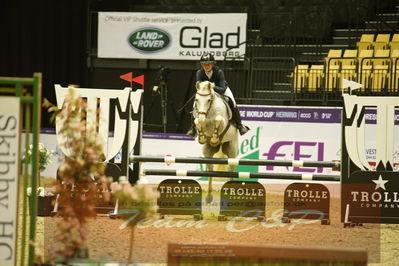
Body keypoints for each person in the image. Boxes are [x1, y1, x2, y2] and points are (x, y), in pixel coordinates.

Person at [186, 54, 250, 137]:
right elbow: (200, 87)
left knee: (232, 102)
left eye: (208, 64)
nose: (206, 66)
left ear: (212, 64)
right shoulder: (199, 73)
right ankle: (193, 128)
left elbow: (222, 89)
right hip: (206, 92)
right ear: (202, 65)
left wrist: (212, 86)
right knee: (196, 103)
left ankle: (240, 125)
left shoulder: (219, 72)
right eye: (204, 64)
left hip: (221, 89)